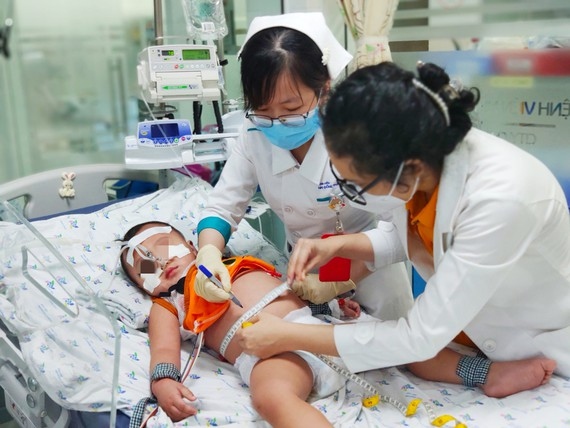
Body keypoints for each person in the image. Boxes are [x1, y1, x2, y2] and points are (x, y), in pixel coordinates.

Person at [236, 61, 569, 397]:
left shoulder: (502, 199)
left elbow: (419, 337)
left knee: (411, 349)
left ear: (408, 169)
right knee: (414, 357)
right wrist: (338, 247)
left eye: (355, 185)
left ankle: (490, 373)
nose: (349, 193)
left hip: (535, 341)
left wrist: (288, 335)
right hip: (468, 332)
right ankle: (484, 372)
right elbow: (410, 236)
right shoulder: (420, 162)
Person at [194, 12, 413, 321]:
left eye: (291, 108)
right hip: (301, 271)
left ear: (324, 88)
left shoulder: (358, 133)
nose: (276, 122)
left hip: (371, 265)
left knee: (396, 357)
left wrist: (341, 278)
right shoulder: (254, 133)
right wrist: (209, 254)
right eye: (262, 109)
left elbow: (406, 232)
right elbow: (223, 207)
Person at [119, 221, 360, 428]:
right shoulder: (168, 305)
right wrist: (163, 382)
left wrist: (333, 306)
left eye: (165, 246)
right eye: (146, 267)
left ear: (194, 247)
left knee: (385, 338)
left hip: (313, 329)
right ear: (144, 287)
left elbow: (292, 294)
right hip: (272, 357)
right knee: (271, 398)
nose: (162, 261)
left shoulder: (233, 263)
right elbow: (163, 349)